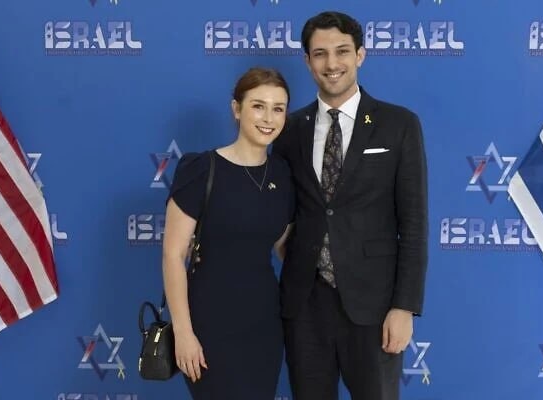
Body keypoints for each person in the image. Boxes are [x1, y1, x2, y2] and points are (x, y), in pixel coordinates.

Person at [272, 11, 428, 400]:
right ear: (307, 61)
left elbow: (414, 224)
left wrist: (404, 307)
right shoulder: (289, 130)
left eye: (342, 51)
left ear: (360, 54)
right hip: (304, 306)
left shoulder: (399, 124)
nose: (332, 63)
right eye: (320, 53)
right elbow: (281, 211)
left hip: (375, 307)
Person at [162, 67, 294, 399]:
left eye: (278, 108)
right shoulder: (201, 169)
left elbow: (284, 246)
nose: (268, 118)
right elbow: (173, 256)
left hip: (264, 324)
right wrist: (184, 333)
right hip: (209, 323)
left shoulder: (283, 174)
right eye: (258, 106)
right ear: (237, 109)